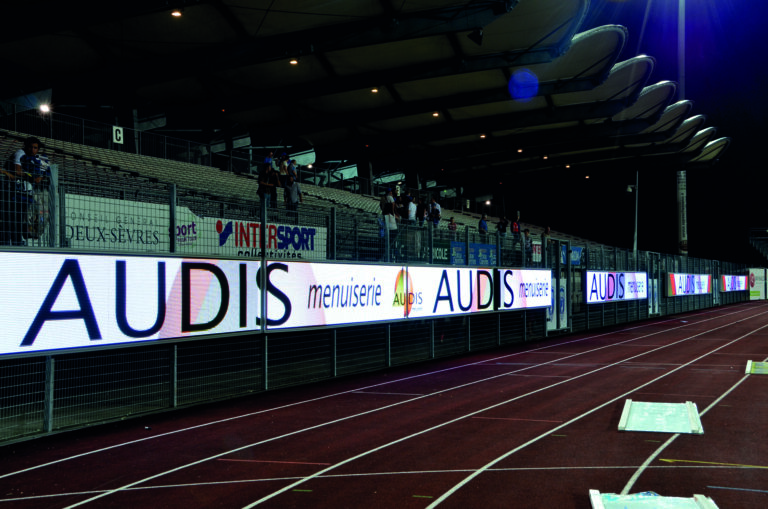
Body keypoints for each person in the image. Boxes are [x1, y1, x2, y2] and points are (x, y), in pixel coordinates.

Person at [2, 136, 47, 245]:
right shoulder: (20, 153)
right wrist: (31, 177)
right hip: (15, 194)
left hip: (27, 195)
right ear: (26, 146)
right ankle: (13, 242)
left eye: (35, 148)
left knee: (22, 219)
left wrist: (39, 178)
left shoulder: (37, 158)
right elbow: (17, 171)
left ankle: (18, 240)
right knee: (14, 219)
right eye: (31, 147)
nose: (33, 150)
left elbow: (43, 176)